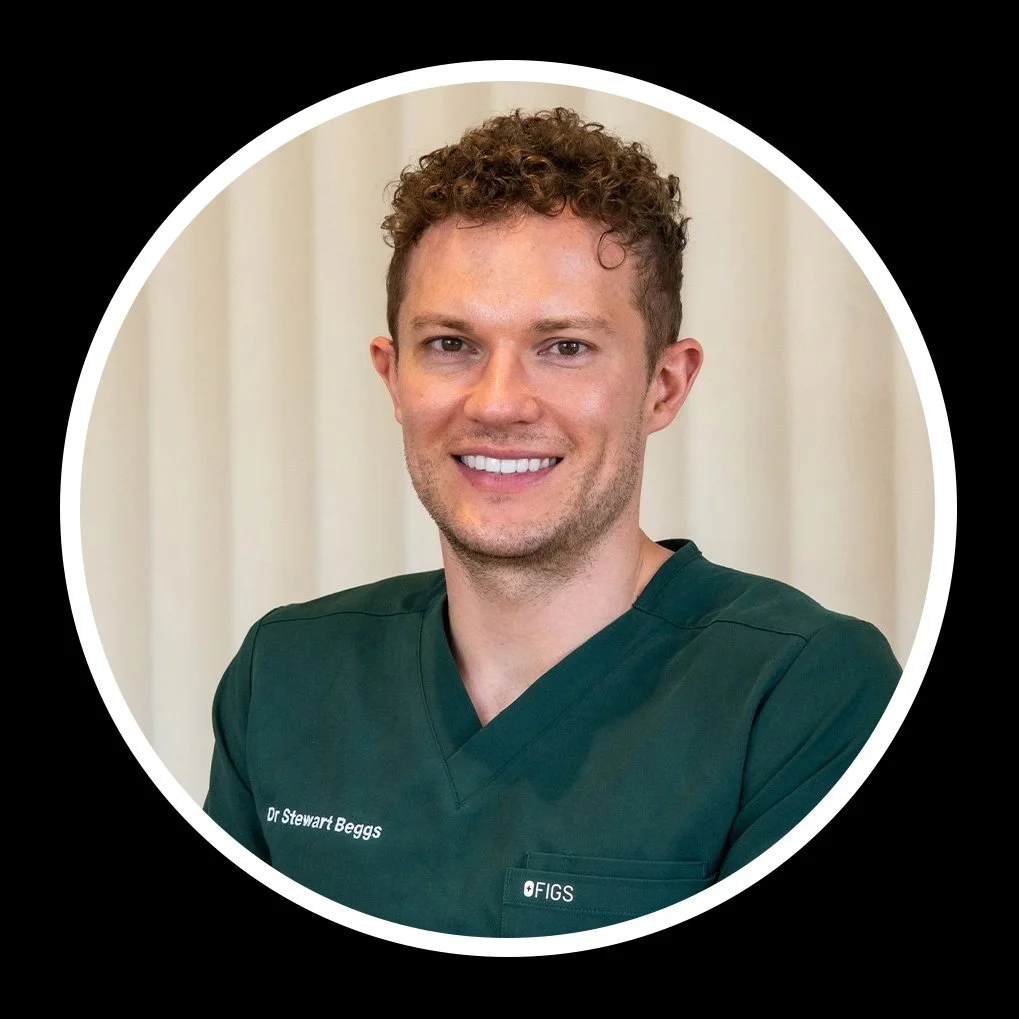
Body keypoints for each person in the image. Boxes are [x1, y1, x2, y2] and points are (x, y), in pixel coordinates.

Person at [203, 107, 902, 938]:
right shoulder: (285, 673)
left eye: (564, 346)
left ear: (664, 386)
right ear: (393, 377)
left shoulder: (803, 691)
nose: (498, 402)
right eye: (451, 343)